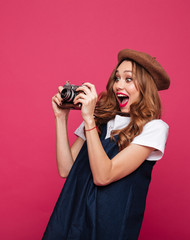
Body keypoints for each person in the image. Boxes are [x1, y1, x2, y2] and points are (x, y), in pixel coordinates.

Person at [43, 49, 170, 240]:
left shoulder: (154, 128)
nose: (118, 85)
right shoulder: (99, 117)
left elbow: (103, 176)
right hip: (72, 213)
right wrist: (61, 119)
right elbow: (66, 170)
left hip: (108, 224)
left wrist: (89, 120)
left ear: (146, 87)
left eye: (128, 79)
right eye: (116, 78)